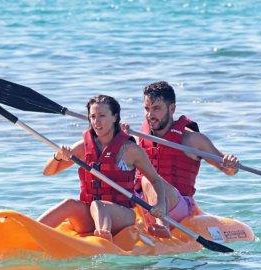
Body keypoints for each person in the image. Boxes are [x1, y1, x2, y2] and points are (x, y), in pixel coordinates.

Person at [37, 95, 167, 241]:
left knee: (99, 205)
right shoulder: (83, 147)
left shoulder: (131, 150)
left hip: (122, 216)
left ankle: (103, 237)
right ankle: (32, 231)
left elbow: (156, 180)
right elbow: (47, 172)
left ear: (114, 117)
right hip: (89, 215)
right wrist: (58, 156)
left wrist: (160, 205)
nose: (96, 122)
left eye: (102, 116)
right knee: (69, 204)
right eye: (92, 116)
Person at [123, 81, 240, 237]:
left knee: (148, 180)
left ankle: (161, 225)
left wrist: (231, 164)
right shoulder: (139, 138)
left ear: (172, 109)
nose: (150, 115)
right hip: (142, 204)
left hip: (177, 206)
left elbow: (229, 170)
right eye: (147, 109)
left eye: (156, 109)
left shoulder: (192, 140)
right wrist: (117, 138)